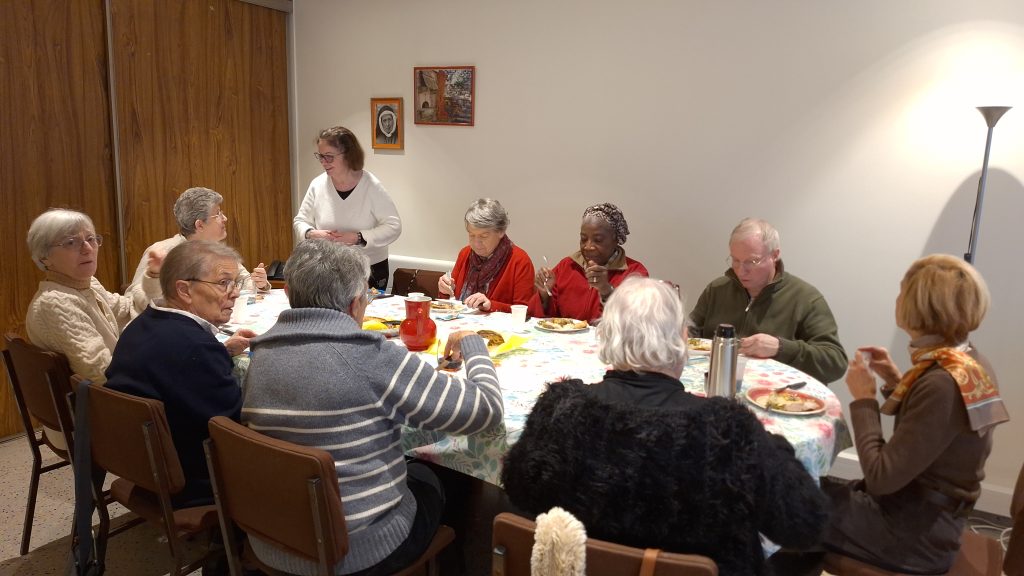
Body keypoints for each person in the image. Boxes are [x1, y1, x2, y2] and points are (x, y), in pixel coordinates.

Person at [502, 276, 829, 576]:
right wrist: (776, 446)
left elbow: (518, 490)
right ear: (683, 339)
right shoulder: (729, 431)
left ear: (605, 334)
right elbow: (804, 524)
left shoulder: (560, 409)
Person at [243, 239, 504, 576]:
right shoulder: (369, 357)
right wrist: (473, 343)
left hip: (271, 541)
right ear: (355, 304)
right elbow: (485, 410)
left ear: (290, 291)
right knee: (440, 473)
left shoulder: (260, 353)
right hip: (355, 553)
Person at [821, 254, 1009, 574]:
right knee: (800, 490)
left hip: (914, 534)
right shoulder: (967, 362)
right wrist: (896, 382)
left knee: (786, 502)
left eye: (901, 292)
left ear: (918, 308)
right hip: (931, 517)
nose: (896, 299)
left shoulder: (942, 383)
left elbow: (880, 478)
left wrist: (863, 400)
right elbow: (930, 438)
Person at [105, 240, 253, 509]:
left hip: (146, 469)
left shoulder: (141, 325)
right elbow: (235, 427)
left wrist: (221, 351)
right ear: (184, 290)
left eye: (235, 284)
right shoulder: (195, 348)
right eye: (224, 283)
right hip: (196, 482)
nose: (234, 294)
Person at [689, 217, 847, 384]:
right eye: (735, 260)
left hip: (775, 394)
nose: (741, 271)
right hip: (713, 387)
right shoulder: (717, 289)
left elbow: (835, 363)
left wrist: (781, 348)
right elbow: (691, 331)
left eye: (752, 261)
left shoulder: (806, 299)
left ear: (775, 255)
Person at [25, 208, 162, 385]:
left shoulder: (88, 285)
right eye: (71, 242)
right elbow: (100, 370)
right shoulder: (55, 303)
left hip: (113, 392)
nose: (88, 248)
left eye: (91, 239)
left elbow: (129, 309)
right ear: (44, 257)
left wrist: (153, 276)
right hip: (104, 404)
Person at [294, 126, 402, 290]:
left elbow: (394, 227)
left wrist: (358, 238)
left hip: (368, 269)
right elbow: (300, 221)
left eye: (329, 157)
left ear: (348, 155)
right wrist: (311, 233)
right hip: (328, 268)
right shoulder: (317, 185)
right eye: (320, 156)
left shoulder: (371, 186)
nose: (323, 162)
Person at [127, 186, 270, 295]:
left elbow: (243, 281)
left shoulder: (217, 250)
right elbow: (135, 298)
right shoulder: (161, 252)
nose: (224, 218)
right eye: (218, 214)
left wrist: (259, 283)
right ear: (200, 224)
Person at [530, 203, 648, 322]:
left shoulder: (634, 273)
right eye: (583, 239)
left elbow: (636, 323)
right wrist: (544, 293)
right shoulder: (567, 266)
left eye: (598, 240)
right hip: (566, 340)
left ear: (615, 239)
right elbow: (544, 319)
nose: (588, 246)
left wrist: (606, 290)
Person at [437, 198, 535, 312]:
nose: (476, 242)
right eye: (471, 235)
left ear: (500, 232)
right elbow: (451, 303)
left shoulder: (519, 261)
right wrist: (445, 290)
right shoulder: (465, 254)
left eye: (483, 236)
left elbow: (525, 312)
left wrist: (491, 305)